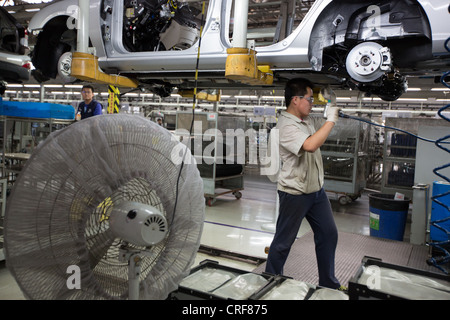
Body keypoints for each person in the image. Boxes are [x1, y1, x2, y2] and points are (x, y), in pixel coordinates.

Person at [265, 78, 344, 290]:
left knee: (328, 234)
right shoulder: (285, 126)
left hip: (316, 192)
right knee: (283, 243)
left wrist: (331, 104)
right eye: (309, 99)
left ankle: (328, 284)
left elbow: (317, 137)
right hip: (295, 193)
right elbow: (309, 145)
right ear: (295, 100)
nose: (312, 103)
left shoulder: (305, 120)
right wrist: (331, 120)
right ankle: (269, 281)